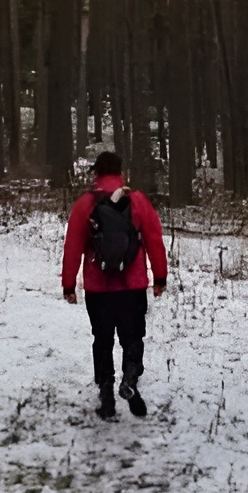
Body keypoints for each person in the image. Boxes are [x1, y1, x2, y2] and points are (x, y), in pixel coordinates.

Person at [60, 150, 169, 421]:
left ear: (96, 172)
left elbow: (73, 246)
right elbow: (154, 239)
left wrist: (69, 284)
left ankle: (106, 394)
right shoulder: (137, 200)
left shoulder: (85, 203)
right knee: (133, 337)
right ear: (121, 171)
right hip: (132, 286)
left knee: (103, 340)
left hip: (99, 288)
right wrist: (160, 277)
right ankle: (130, 379)